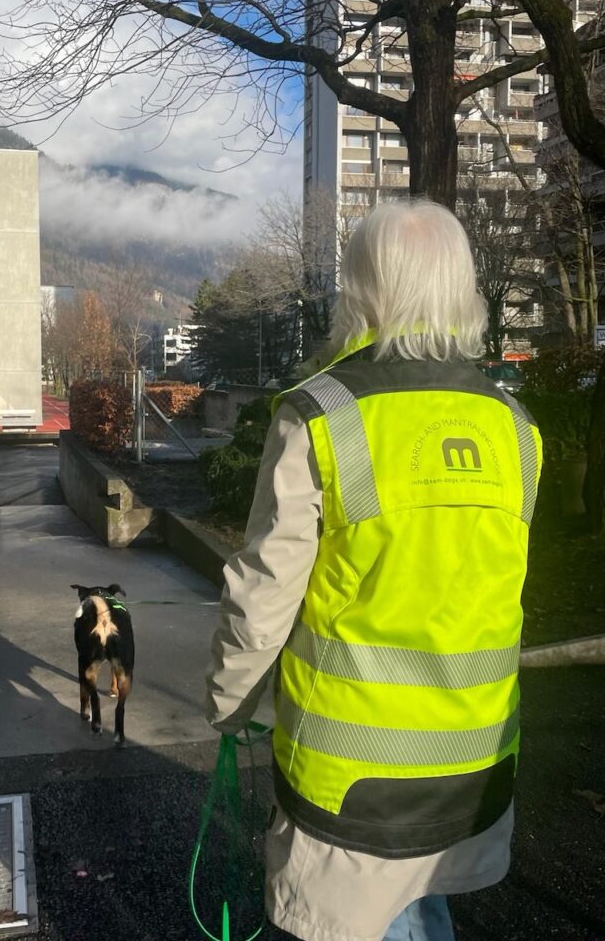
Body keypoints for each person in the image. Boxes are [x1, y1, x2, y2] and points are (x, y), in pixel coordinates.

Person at [205, 200, 542, 941]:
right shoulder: (514, 426)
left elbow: (263, 594)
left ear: (362, 288)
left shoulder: (320, 415)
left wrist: (230, 702)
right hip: (477, 761)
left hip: (349, 781)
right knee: (422, 909)